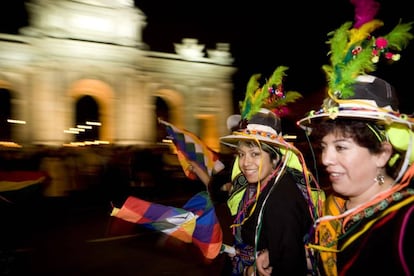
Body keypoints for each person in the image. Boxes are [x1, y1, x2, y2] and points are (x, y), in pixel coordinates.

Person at [257, 1, 414, 274]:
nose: (326, 158)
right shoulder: (337, 205)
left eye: (341, 146)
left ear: (383, 153)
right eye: (324, 146)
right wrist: (292, 258)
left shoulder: (405, 220)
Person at [219, 66, 323, 275]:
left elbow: (288, 266)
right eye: (241, 154)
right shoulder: (259, 186)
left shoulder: (281, 200)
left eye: (255, 154)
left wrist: (251, 271)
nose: (245, 162)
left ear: (276, 157)